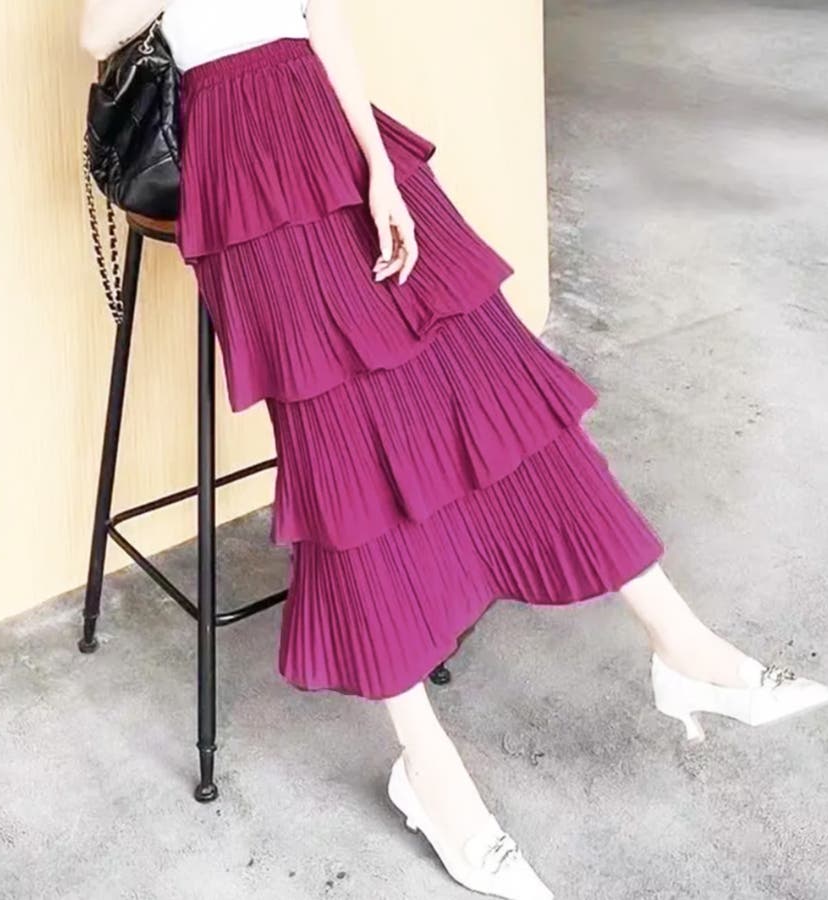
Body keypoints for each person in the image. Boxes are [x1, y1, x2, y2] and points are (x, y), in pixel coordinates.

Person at [79, 3, 828, 898]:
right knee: (343, 450)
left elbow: (323, 22)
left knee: (499, 382)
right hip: (238, 160)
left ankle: (682, 645)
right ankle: (428, 770)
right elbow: (95, 32)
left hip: (327, 122)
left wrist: (378, 169)